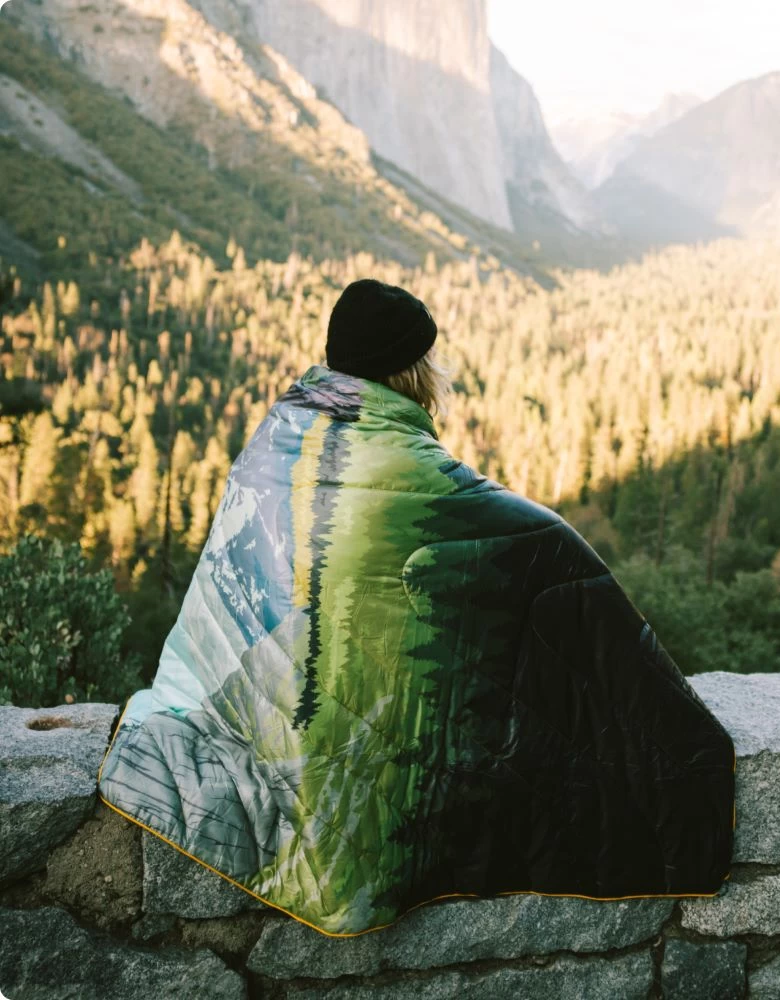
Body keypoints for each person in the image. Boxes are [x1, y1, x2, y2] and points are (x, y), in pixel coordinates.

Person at [98, 278, 735, 938]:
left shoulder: (286, 429)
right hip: (327, 771)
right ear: (410, 370)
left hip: (253, 721)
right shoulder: (415, 472)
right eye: (431, 359)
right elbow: (542, 551)